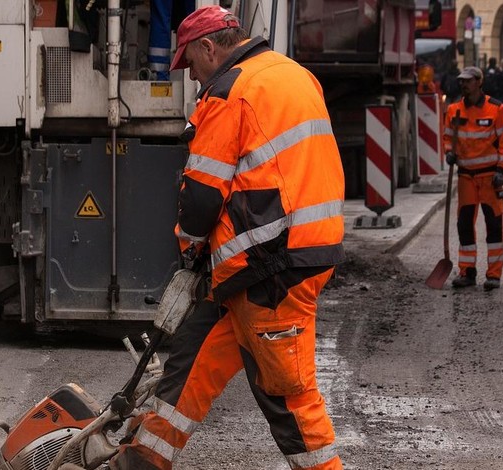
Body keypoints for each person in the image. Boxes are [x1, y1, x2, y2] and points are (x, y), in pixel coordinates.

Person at [109, 5, 346, 470]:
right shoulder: (293, 74)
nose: (193, 77)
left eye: (191, 65)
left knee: (286, 394)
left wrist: (190, 250)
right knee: (192, 357)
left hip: (270, 264)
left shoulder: (228, 92)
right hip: (285, 253)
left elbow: (200, 198)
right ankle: (140, 461)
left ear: (208, 48)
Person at [442, 66, 503, 291]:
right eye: (462, 81)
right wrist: (448, 152)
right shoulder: (454, 110)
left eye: (469, 81)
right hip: (466, 177)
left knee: (493, 225)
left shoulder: (496, 108)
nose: (464, 84)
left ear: (479, 82)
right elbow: (447, 137)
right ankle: (467, 272)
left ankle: (494, 275)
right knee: (465, 225)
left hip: (489, 177)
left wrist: (501, 170)